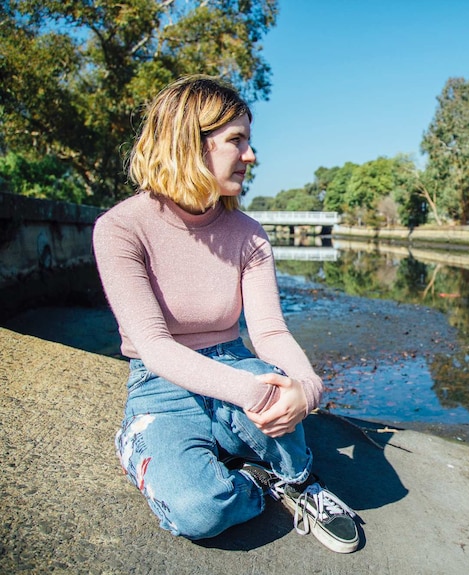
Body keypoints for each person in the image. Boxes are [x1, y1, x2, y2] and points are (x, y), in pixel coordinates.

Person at [93, 75, 359, 553]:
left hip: (236, 363)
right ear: (187, 143)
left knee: (288, 434)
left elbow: (270, 331)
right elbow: (154, 347)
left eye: (249, 142)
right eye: (237, 141)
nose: (251, 157)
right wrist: (255, 394)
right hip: (161, 385)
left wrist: (306, 388)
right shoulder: (120, 229)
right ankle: (243, 481)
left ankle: (297, 482)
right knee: (201, 510)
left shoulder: (250, 234)